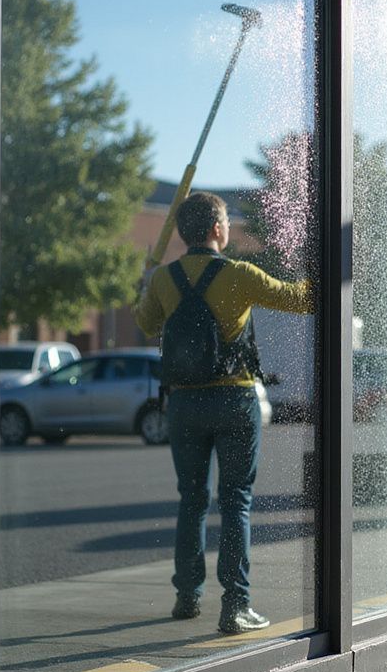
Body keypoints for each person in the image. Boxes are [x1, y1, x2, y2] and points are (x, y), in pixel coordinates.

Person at [134, 192, 312, 635]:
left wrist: (145, 283)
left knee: (191, 500)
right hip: (234, 400)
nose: (229, 228)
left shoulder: (164, 280)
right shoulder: (239, 275)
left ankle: (187, 596)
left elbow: (145, 323)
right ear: (216, 229)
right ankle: (235, 604)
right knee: (236, 501)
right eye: (227, 223)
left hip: (184, 403)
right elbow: (301, 300)